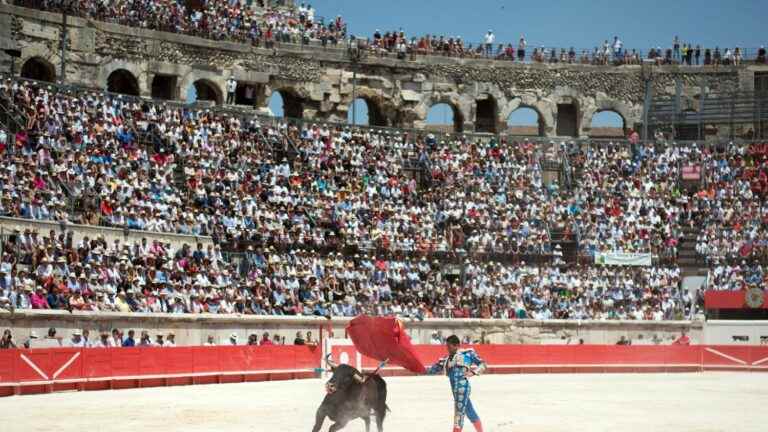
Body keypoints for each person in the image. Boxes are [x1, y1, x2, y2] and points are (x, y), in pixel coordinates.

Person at [426, 334, 486, 432]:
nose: (448, 349)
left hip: (463, 388)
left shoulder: (468, 353)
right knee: (470, 412)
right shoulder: (446, 359)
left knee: (458, 415)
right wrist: (418, 368)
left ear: (457, 345)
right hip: (455, 390)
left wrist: (473, 372)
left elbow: (483, 364)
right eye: (447, 347)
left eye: (450, 347)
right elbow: (432, 369)